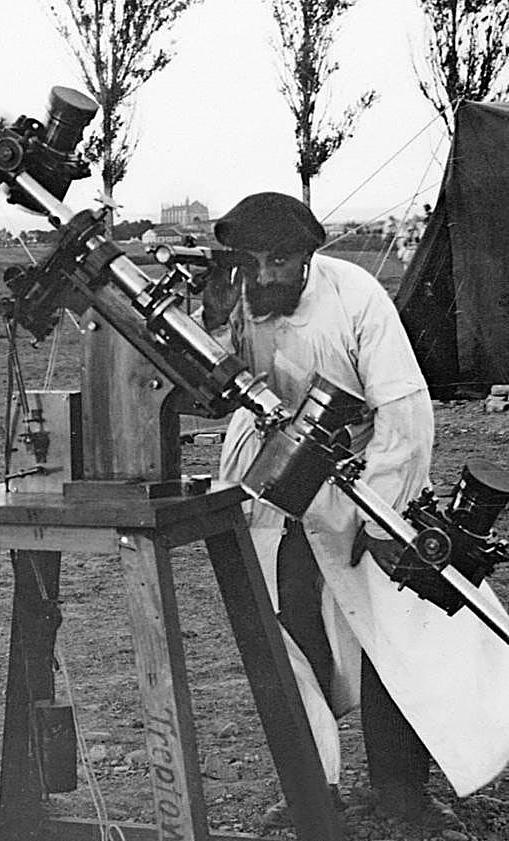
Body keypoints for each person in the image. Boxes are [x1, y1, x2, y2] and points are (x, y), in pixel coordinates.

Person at [200, 192, 509, 828]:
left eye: (278, 262)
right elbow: (201, 387)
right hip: (269, 485)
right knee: (289, 634)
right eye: (249, 262)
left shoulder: (355, 296)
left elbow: (405, 408)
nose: (263, 277)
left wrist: (381, 517)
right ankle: (313, 789)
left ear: (308, 255)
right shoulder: (233, 299)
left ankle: (400, 793)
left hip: (362, 477)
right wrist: (209, 317)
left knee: (389, 637)